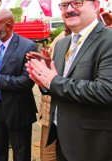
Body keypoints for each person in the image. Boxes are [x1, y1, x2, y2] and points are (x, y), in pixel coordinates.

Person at [26, 0, 112, 161]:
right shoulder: (62, 43)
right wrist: (43, 82)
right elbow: (58, 86)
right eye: (64, 5)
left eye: (77, 3)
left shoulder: (108, 41)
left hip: (93, 143)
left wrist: (52, 80)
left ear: (96, 5)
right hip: (62, 138)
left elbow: (106, 91)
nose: (69, 9)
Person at [0, 9, 37, 161]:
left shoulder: (28, 46)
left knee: (21, 153)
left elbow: (27, 81)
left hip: (19, 110)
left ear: (8, 26)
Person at [26, 24, 71, 161]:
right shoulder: (60, 42)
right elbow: (48, 85)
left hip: (76, 118)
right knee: (48, 155)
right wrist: (43, 70)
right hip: (50, 112)